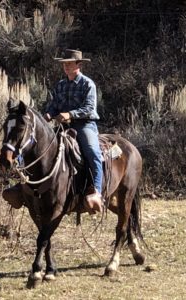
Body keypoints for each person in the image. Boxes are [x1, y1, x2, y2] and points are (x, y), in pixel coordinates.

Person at [44, 49, 103, 213]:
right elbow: (54, 104)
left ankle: (97, 191)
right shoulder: (61, 85)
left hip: (84, 125)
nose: (66, 66)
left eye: (69, 63)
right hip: (64, 126)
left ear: (79, 64)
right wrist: (49, 114)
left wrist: (70, 113)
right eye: (64, 63)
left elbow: (89, 108)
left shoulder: (87, 84)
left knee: (93, 152)